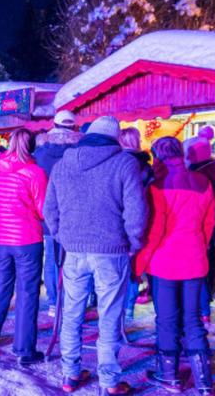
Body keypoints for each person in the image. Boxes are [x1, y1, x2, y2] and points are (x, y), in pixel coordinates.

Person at [44, 116, 147, 395]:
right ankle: (109, 382)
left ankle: (70, 374)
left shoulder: (63, 164)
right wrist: (133, 243)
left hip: (74, 250)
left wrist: (61, 236)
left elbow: (49, 209)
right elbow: (136, 212)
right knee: (109, 315)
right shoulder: (125, 163)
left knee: (72, 313)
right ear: (115, 138)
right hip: (112, 251)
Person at [135, 136, 215, 396]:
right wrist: (199, 248)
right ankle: (204, 382)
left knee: (167, 320)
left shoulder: (157, 186)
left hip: (164, 262)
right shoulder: (203, 183)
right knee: (193, 319)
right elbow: (208, 225)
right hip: (194, 259)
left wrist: (138, 265)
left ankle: (168, 376)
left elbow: (155, 232)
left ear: (158, 156)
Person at [0, 129, 48, 366]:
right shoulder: (35, 173)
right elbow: (42, 209)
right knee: (27, 293)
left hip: (3, 237)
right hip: (27, 238)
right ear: (31, 147)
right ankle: (24, 348)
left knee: (0, 286)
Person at [32, 110, 82, 317]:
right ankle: (73, 300)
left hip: (48, 214)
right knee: (75, 259)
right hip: (76, 215)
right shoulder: (80, 152)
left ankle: (54, 301)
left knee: (52, 258)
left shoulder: (40, 153)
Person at [185, 135, 215, 325]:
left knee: (198, 269)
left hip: (199, 226)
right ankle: (205, 307)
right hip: (208, 227)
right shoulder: (213, 171)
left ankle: (200, 309)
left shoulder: (199, 176)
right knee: (207, 265)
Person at [118, 127, 155, 321]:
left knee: (118, 267)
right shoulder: (146, 167)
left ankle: (117, 309)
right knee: (134, 266)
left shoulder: (116, 164)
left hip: (118, 220)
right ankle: (129, 308)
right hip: (142, 220)